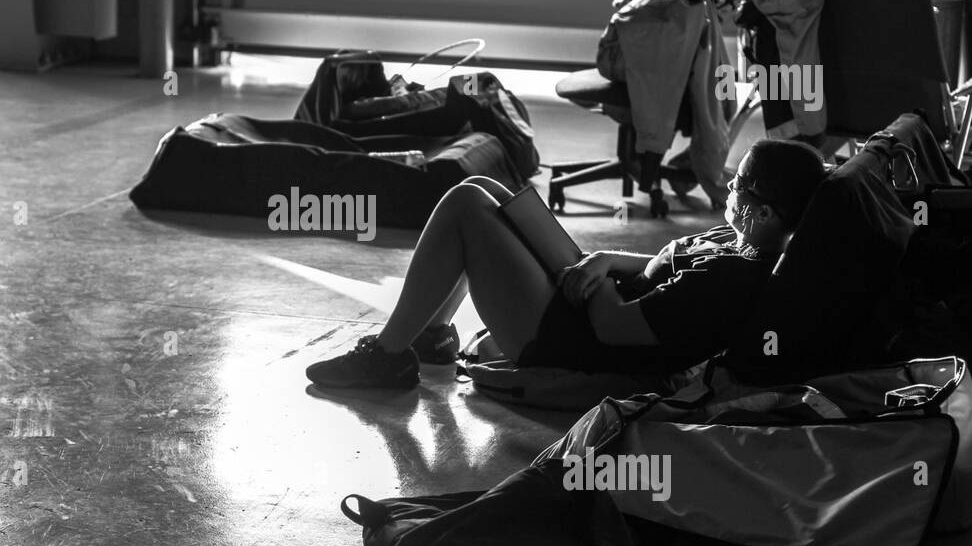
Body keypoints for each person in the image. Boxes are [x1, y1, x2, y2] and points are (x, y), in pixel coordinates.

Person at [306, 138, 829, 389]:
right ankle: (434, 334)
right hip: (586, 300)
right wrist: (604, 259)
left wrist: (586, 274)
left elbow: (616, 326)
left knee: (466, 206)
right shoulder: (738, 240)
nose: (729, 187)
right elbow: (663, 262)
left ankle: (388, 356)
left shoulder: (733, 278)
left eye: (740, 184)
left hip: (576, 336)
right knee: (488, 189)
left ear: (763, 212)